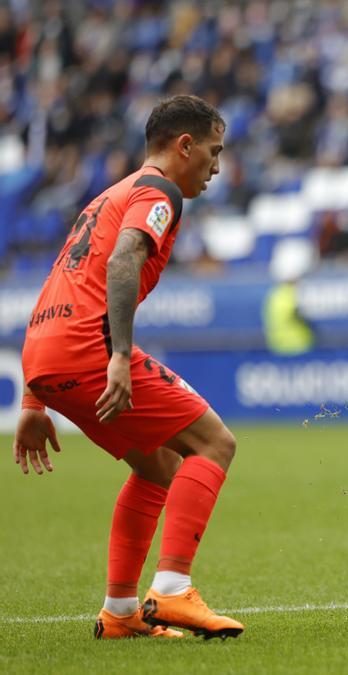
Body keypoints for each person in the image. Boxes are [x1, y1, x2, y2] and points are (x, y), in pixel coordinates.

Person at [14, 95, 244, 640]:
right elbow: (124, 259)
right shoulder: (158, 192)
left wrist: (32, 398)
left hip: (47, 352)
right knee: (214, 444)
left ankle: (119, 613)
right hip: (91, 349)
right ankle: (170, 590)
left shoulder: (105, 198)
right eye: (213, 152)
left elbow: (57, 286)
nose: (217, 167)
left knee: (157, 467)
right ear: (183, 145)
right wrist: (119, 354)